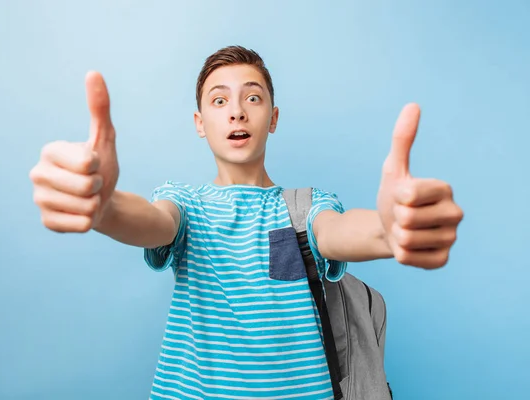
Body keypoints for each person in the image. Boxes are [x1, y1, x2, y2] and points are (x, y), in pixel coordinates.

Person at [29, 45, 463, 399]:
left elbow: (337, 232)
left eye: (252, 97)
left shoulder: (305, 206)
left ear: (273, 118)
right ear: (201, 124)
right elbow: (150, 220)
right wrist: (103, 209)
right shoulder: (185, 203)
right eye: (219, 100)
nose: (236, 111)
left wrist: (391, 230)